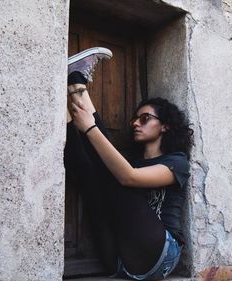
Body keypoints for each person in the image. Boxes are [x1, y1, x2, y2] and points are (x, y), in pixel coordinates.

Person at [64, 47, 193, 280]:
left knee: (114, 173)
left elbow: (129, 177)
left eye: (145, 118)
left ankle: (76, 83)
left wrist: (91, 129)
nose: (136, 123)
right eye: (134, 119)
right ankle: (66, 105)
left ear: (166, 125)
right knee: (89, 176)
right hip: (118, 261)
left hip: (160, 255)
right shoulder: (133, 162)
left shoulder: (177, 162)